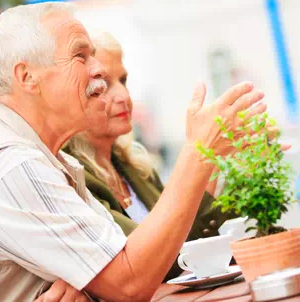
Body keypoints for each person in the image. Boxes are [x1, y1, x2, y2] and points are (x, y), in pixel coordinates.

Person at [0, 2, 267, 302]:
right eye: (81, 56)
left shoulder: (46, 158)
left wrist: (89, 285)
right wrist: (199, 152)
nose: (99, 70)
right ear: (27, 78)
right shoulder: (9, 163)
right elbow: (130, 282)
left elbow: (124, 268)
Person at [63, 32, 236, 280]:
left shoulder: (136, 165)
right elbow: (152, 259)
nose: (123, 96)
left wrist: (222, 159)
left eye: (123, 81)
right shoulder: (74, 177)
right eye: (103, 85)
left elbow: (194, 239)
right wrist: (201, 154)